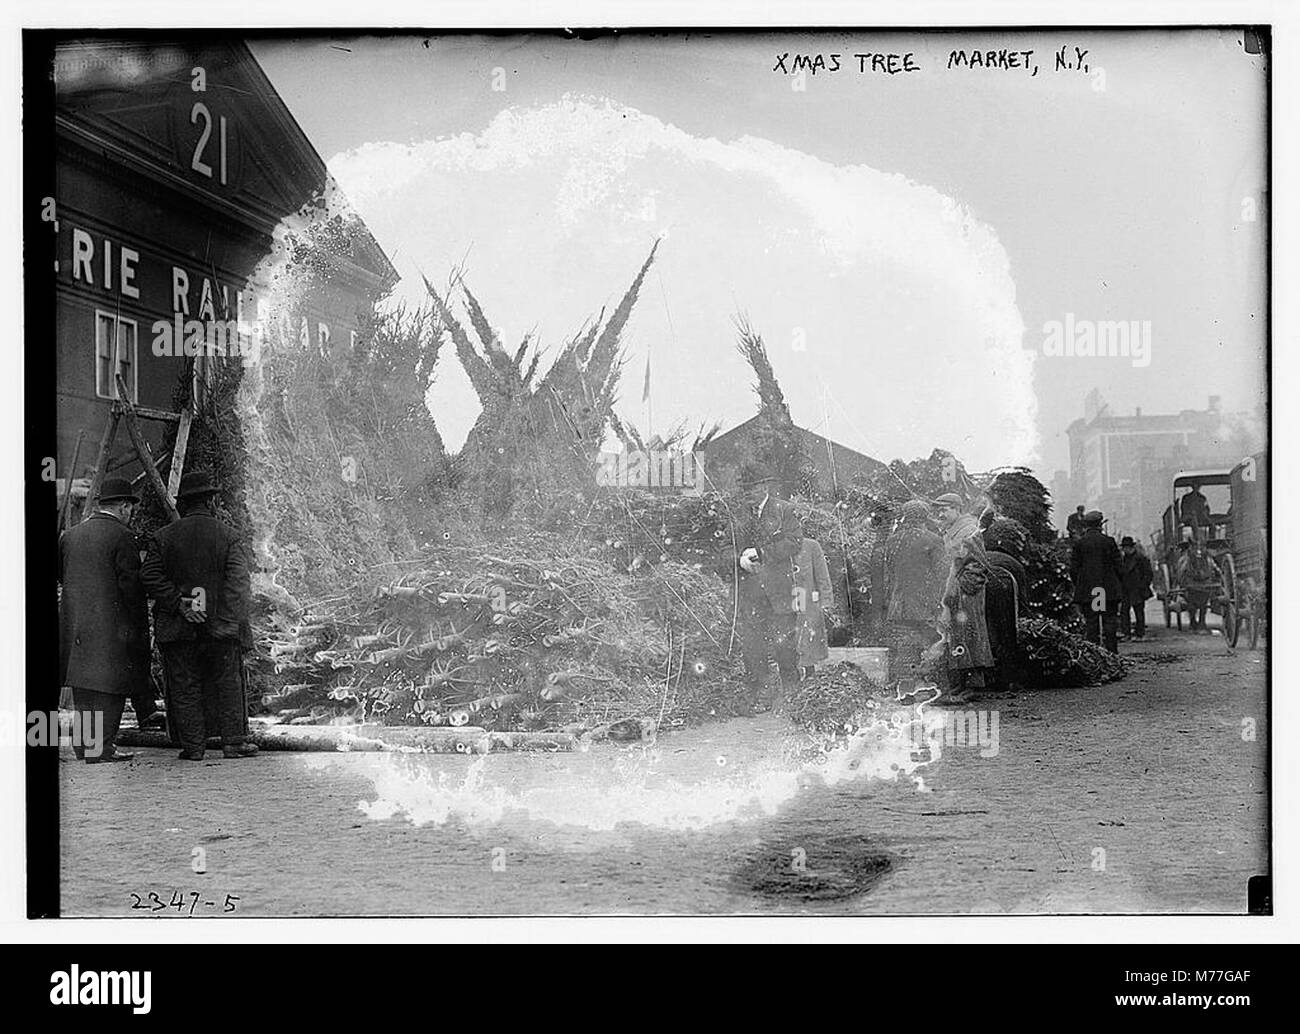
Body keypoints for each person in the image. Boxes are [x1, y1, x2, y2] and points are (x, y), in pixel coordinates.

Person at [142, 471, 258, 760]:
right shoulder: (229, 536)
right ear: (210, 501)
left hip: (180, 629)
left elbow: (150, 576)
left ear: (185, 503)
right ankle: (233, 743)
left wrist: (181, 605)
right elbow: (238, 584)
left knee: (185, 687)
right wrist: (226, 621)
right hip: (221, 630)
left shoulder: (163, 537)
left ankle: (194, 748)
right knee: (228, 684)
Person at [57, 477, 151, 762]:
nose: (130, 512)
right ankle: (103, 749)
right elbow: (131, 588)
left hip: (75, 625)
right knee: (112, 688)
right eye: (130, 507)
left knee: (83, 687)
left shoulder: (70, 536)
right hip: (112, 627)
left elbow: (62, 576)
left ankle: (84, 747)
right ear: (124, 507)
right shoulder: (123, 537)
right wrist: (139, 626)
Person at [725, 466, 803, 712]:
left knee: (784, 643)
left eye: (753, 488)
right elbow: (723, 548)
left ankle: (792, 690)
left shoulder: (784, 510)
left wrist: (761, 553)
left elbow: (794, 542)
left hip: (779, 590)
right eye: (745, 489)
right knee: (753, 645)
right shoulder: (737, 515)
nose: (748, 493)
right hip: (749, 593)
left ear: (765, 487)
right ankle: (760, 693)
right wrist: (739, 560)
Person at [882, 499, 948, 690]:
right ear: (925, 517)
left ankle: (905, 689)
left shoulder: (893, 540)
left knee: (904, 647)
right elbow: (942, 575)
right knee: (931, 646)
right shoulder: (933, 540)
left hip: (898, 603)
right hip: (924, 604)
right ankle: (929, 688)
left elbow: (890, 572)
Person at [1070, 510, 1123, 653]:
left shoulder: (1080, 544)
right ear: (1100, 524)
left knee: (1092, 625)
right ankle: (1112, 655)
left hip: (1090, 592)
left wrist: (1080, 586)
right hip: (1108, 591)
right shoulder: (1109, 542)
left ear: (1086, 525)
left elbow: (1074, 570)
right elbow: (1119, 567)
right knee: (1109, 623)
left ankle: (1094, 658)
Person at [793, 536, 833, 677]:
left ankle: (809, 673)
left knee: (808, 636)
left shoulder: (811, 546)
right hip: (786, 602)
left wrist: (826, 602)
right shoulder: (774, 548)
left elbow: (822, 576)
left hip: (808, 600)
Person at [1177, 543, 1222, 633]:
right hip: (1190, 580)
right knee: (1191, 602)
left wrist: (1219, 573)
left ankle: (1202, 621)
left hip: (1206, 577)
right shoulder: (1187, 558)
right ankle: (1193, 621)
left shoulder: (1208, 558)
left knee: (1204, 600)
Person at [1118, 536, 1154, 640]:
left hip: (1138, 589)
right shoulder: (1123, 559)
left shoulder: (1141, 558)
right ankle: (1126, 633)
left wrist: (1143, 585)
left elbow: (1148, 574)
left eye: (1127, 547)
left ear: (1132, 547)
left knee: (1139, 611)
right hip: (1126, 589)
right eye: (1124, 548)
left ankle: (1140, 634)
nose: (1125, 550)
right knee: (1124, 612)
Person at [933, 492, 980, 559]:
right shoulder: (949, 530)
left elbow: (965, 561)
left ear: (957, 509)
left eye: (944, 510)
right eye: (939, 512)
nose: (940, 515)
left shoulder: (969, 530)